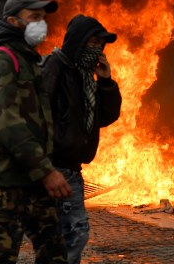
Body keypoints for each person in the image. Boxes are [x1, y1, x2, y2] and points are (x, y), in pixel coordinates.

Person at [0, 0, 69, 263]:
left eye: (43, 18)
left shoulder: (27, 58)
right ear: (13, 21)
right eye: (34, 17)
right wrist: (46, 170)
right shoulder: (1, 61)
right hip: (7, 181)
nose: (41, 24)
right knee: (2, 258)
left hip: (32, 178)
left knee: (54, 254)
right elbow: (8, 124)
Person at [43, 14, 122, 264]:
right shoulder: (56, 66)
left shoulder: (85, 76)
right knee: (73, 234)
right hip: (55, 168)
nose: (98, 48)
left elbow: (106, 117)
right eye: (93, 42)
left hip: (72, 170)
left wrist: (106, 82)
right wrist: (45, 169)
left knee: (60, 238)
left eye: (101, 43)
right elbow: (36, 118)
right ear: (78, 41)